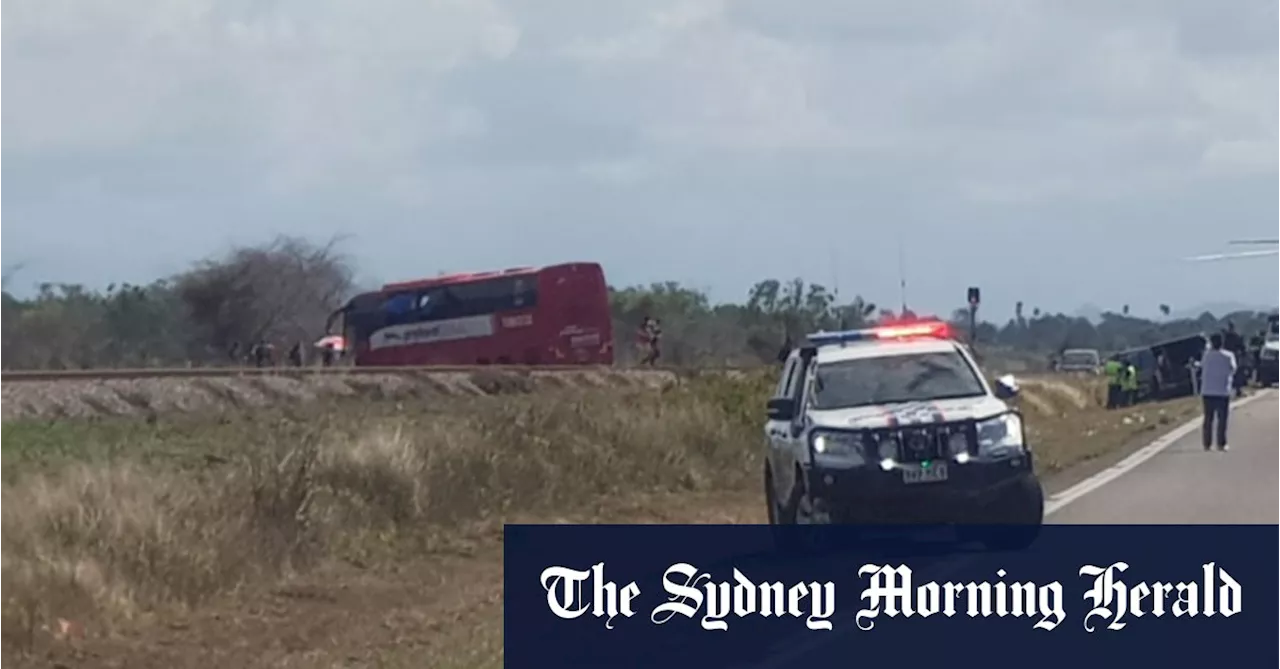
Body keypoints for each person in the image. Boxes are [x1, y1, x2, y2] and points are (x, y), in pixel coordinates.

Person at [1199, 332, 1237, 452]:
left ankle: (1207, 443)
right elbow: (1233, 369)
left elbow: (1202, 366)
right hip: (1222, 391)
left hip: (1207, 391)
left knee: (1208, 419)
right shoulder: (1228, 355)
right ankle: (1221, 443)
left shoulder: (1206, 355)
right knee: (1222, 420)